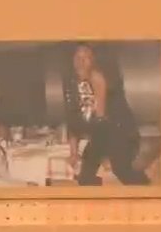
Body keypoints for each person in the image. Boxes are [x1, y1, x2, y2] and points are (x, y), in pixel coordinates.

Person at [63, 42, 148, 186]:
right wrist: (73, 153)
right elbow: (72, 120)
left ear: (93, 61)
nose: (81, 62)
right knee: (85, 178)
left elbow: (102, 121)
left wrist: (105, 154)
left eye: (86, 58)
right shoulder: (71, 84)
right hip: (99, 134)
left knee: (121, 170)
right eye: (77, 57)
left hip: (120, 132)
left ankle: (147, 189)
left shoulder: (97, 79)